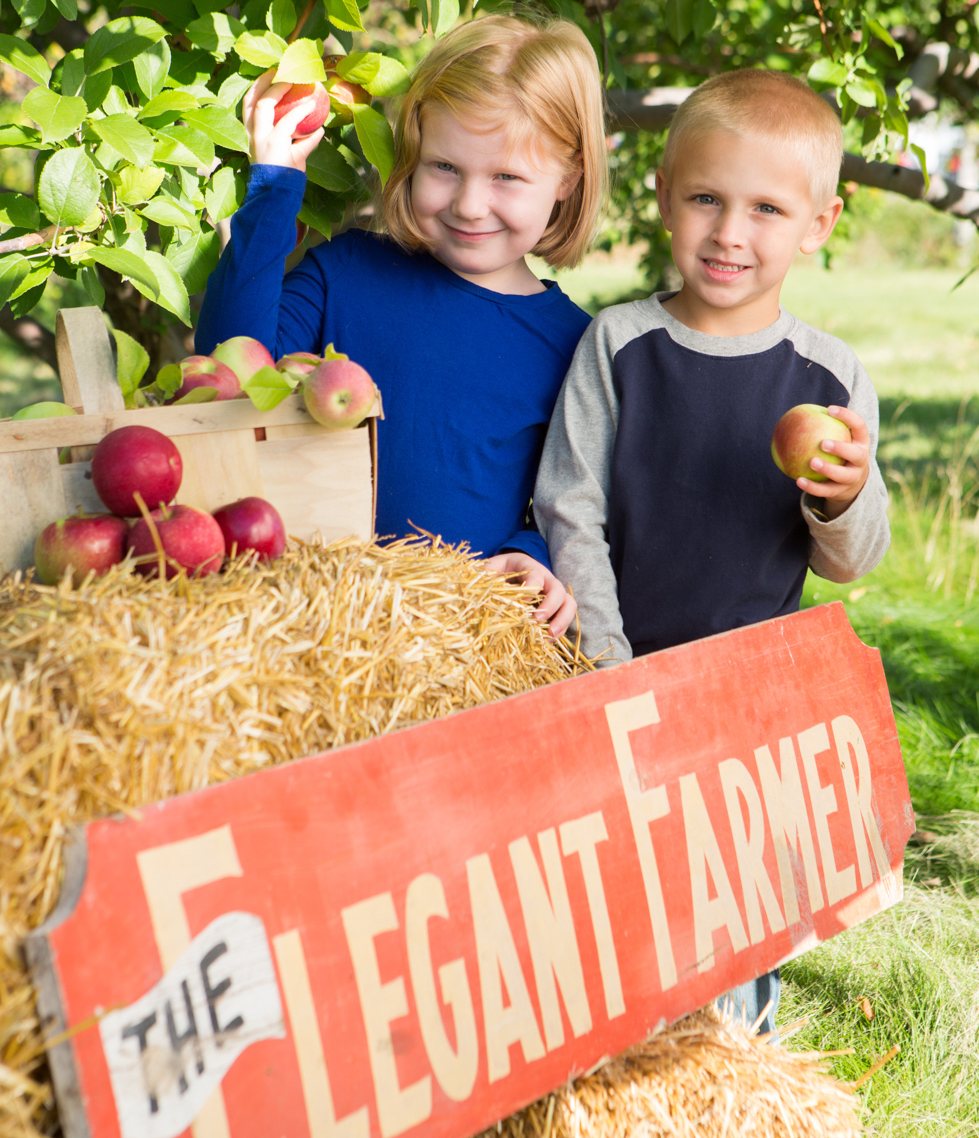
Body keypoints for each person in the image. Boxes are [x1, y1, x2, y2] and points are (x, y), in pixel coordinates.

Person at [532, 69, 890, 1035]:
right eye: (705, 199)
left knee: (733, 902)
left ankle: (735, 1058)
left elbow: (853, 561)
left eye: (766, 208)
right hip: (619, 671)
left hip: (749, 700)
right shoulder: (618, 346)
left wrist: (844, 493)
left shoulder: (826, 374)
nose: (730, 233)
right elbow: (572, 507)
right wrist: (607, 666)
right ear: (662, 198)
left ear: (817, 224)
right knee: (626, 901)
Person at [196, 15, 610, 638]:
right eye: (444, 167)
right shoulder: (346, 271)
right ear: (412, 153)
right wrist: (276, 186)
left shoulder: (574, 345)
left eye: (506, 177)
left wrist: (532, 554)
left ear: (568, 180)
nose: (470, 204)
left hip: (449, 642)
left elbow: (571, 499)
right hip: (299, 619)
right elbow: (229, 367)